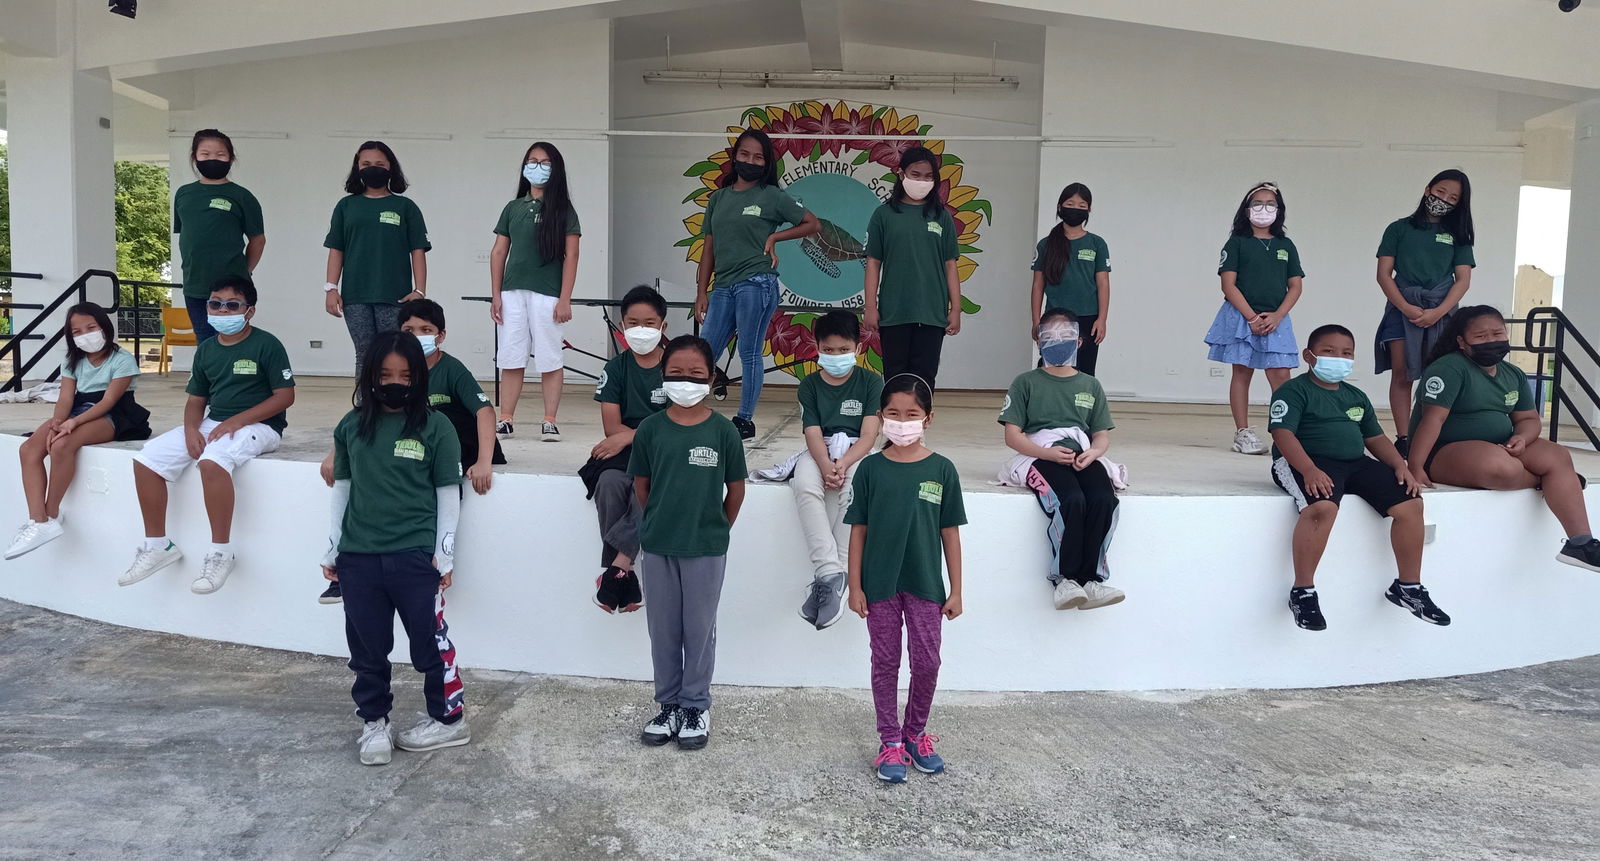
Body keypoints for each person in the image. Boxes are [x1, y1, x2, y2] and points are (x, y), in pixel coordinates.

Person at [322, 332, 469, 766]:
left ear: (418, 378)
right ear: (369, 376)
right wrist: (333, 549)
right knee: (367, 648)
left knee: (430, 645)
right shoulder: (351, 426)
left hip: (414, 558)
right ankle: (374, 723)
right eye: (385, 374)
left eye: (405, 375)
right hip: (359, 558)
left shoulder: (436, 427)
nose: (395, 382)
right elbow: (342, 492)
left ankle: (448, 721)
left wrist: (445, 554)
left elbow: (448, 494)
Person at [315, 298, 503, 605]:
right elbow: (362, 418)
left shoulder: (451, 368)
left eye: (425, 329)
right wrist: (335, 453)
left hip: (449, 449)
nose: (417, 335)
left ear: (440, 335)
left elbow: (483, 410)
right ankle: (343, 567)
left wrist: (484, 460)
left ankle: (438, 563)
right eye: (409, 329)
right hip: (404, 451)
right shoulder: (387, 372)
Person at [120, 277, 295, 593]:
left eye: (232, 305)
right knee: (147, 459)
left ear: (249, 311)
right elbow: (196, 400)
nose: (222, 310)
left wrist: (237, 422)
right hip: (213, 422)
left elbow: (284, 397)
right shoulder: (207, 350)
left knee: (212, 461)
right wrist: (190, 430)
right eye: (215, 303)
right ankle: (158, 545)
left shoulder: (267, 344)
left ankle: (221, 552)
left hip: (261, 426)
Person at [1267, 324, 1446, 631]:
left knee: (1411, 505)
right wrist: (1309, 469)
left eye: (1346, 353)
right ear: (1309, 356)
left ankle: (1408, 587)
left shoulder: (1356, 396)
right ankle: (1303, 592)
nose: (1339, 358)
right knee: (1322, 508)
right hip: (1305, 461)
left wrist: (1399, 465)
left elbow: (1374, 439)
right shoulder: (1294, 391)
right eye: (1329, 351)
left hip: (1354, 463)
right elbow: (1283, 433)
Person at [1408, 305, 1600, 571]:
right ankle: (1552, 483)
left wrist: (1522, 438)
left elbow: (1529, 420)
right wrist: (1415, 465)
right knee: (1502, 469)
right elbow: (1433, 420)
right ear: (1462, 342)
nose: (1492, 341)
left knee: (1558, 456)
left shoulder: (1513, 374)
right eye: (1481, 336)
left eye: (1497, 333)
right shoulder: (1449, 368)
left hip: (1501, 443)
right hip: (1445, 451)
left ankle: (1581, 544)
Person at [845, 373, 965, 784]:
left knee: (927, 661)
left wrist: (957, 590)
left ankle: (915, 734)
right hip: (879, 586)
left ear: (928, 418)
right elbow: (857, 530)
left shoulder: (942, 470)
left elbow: (950, 533)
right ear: (880, 418)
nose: (901, 421)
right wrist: (855, 585)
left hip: (926, 585)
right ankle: (890, 741)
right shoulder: (870, 470)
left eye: (911, 414)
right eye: (893, 414)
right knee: (886, 663)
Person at [631, 336, 746, 751]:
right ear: (663, 377)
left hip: (706, 547)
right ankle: (668, 705)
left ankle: (695, 705)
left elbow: (735, 491)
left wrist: (716, 528)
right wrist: (661, 523)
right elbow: (642, 488)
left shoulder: (723, 432)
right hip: (659, 544)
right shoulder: (649, 430)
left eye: (696, 374)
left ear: (711, 377)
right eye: (676, 374)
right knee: (662, 630)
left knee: (698, 630)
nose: (686, 381)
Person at [693, 128, 821, 440]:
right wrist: (701, 292)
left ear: (766, 164)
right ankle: (688, 411)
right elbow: (708, 249)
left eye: (758, 157)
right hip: (722, 286)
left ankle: (745, 420)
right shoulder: (718, 199)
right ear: (734, 156)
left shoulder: (771, 196)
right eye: (745, 154)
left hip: (757, 282)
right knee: (703, 353)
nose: (750, 160)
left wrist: (775, 236)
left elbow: (812, 223)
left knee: (748, 351)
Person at [999, 310, 1124, 610]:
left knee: (1104, 500)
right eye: (1049, 336)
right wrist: (1045, 453)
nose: (1057, 342)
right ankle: (1065, 579)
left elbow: (1101, 435)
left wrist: (1093, 453)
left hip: (1082, 455)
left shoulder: (1090, 385)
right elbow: (1012, 436)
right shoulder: (1025, 382)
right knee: (1071, 500)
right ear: (1038, 340)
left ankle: (1092, 580)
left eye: (1065, 336)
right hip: (1042, 456)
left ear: (1079, 342)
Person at [7, 303, 151, 559]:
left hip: (114, 413)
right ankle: (38, 521)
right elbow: (65, 397)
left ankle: (51, 514)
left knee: (62, 445)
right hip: (77, 408)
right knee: (29, 449)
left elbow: (109, 401)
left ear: (104, 327)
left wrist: (72, 424)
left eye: (91, 327)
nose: (85, 334)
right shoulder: (72, 360)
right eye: (77, 331)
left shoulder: (123, 359)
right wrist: (57, 422)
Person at [793, 310, 884, 629]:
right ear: (817, 347)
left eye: (843, 350)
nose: (836, 356)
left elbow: (871, 433)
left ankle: (832, 577)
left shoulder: (872, 381)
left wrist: (843, 463)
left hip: (858, 449)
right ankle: (831, 574)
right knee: (804, 485)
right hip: (820, 449)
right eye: (828, 350)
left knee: (855, 488)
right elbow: (813, 431)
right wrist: (825, 464)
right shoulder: (809, 385)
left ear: (858, 348)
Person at [1375, 169, 1476, 456]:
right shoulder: (1398, 228)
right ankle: (1404, 437)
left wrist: (1439, 312)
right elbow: (1384, 274)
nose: (1444, 199)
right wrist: (1405, 306)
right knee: (1402, 374)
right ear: (1428, 188)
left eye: (1453, 198)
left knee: (1438, 377)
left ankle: (1433, 436)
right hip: (1401, 307)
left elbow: (1463, 281)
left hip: (1442, 313)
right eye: (1441, 191)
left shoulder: (1458, 235)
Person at [585, 285, 669, 614]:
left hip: (665, 449)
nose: (641, 330)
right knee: (606, 483)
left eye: (649, 323)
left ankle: (615, 569)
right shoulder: (616, 369)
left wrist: (630, 435)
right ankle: (626, 574)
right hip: (628, 445)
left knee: (641, 489)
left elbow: (677, 422)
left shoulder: (675, 367)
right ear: (622, 326)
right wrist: (630, 435)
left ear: (663, 326)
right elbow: (611, 427)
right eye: (633, 323)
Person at [1204, 181, 1304, 455]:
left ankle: (1285, 432)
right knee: (1242, 371)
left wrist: (1277, 316)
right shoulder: (1237, 243)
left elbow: (1295, 285)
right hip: (1241, 318)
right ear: (1246, 209)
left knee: (1281, 375)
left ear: (1279, 210)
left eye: (1270, 204)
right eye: (1257, 203)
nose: (1264, 209)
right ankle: (1242, 433)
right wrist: (1250, 317)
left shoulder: (1286, 245)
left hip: (1277, 319)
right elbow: (1228, 284)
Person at [490, 141, 580, 441]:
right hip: (512, 291)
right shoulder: (512, 208)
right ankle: (506, 418)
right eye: (532, 160)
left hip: (547, 293)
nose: (537, 167)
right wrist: (496, 294)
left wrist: (565, 298)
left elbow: (572, 255)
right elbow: (499, 252)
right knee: (511, 355)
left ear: (556, 170)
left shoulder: (564, 211)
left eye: (544, 162)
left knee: (549, 356)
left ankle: (550, 420)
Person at [323, 140, 431, 384]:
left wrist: (419, 290)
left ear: (390, 167)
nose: (373, 168)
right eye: (366, 163)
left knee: (395, 353)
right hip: (356, 296)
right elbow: (336, 249)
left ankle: (396, 403)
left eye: (379, 164)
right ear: (357, 168)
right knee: (365, 354)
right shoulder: (346, 206)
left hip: (395, 296)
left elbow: (418, 251)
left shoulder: (405, 207)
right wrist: (331, 288)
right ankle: (365, 409)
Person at [863, 145, 962, 390]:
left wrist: (956, 309)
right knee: (895, 377)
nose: (922, 181)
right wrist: (870, 306)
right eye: (916, 175)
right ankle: (894, 426)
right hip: (894, 311)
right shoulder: (883, 215)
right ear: (901, 174)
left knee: (924, 378)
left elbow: (951, 265)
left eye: (928, 177)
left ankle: (918, 428)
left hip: (932, 312)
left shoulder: (941, 216)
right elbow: (873, 262)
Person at [172, 129, 266, 342]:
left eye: (220, 155)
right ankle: (206, 376)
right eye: (205, 154)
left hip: (232, 284)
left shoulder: (242, 196)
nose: (212, 159)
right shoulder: (184, 194)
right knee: (204, 339)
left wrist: (245, 271)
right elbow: (187, 236)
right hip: (194, 283)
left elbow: (258, 240)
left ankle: (235, 376)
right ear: (194, 156)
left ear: (231, 158)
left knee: (233, 338)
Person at [1030, 183, 1111, 376]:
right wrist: (1036, 321)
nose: (1075, 209)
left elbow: (1103, 284)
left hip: (1088, 318)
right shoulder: (1046, 244)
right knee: (1049, 368)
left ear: (1089, 210)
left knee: (1084, 370)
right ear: (1060, 206)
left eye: (1082, 206)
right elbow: (1037, 285)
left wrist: (1102, 319)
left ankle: (1082, 406)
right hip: (1055, 318)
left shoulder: (1097, 244)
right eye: (1070, 203)